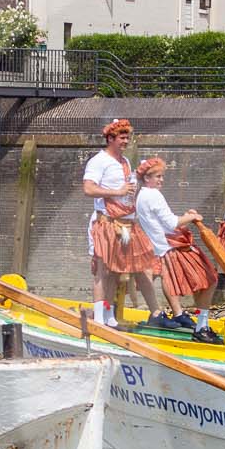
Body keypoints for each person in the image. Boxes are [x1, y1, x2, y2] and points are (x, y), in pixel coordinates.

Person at [131, 157, 223, 342]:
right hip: (172, 247)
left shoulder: (141, 195)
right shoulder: (153, 195)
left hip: (163, 246)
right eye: (158, 176)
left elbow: (163, 221)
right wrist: (192, 216)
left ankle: (181, 316)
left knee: (196, 281)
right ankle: (201, 327)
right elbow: (172, 223)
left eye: (162, 176)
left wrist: (184, 218)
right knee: (210, 278)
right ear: (147, 178)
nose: (161, 180)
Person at [81, 119, 154, 327]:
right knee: (102, 271)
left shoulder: (125, 162)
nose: (126, 141)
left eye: (127, 137)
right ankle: (99, 319)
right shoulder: (98, 161)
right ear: (110, 138)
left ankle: (109, 315)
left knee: (115, 271)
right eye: (122, 138)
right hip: (104, 222)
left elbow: (127, 191)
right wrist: (117, 192)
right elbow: (88, 189)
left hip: (123, 223)